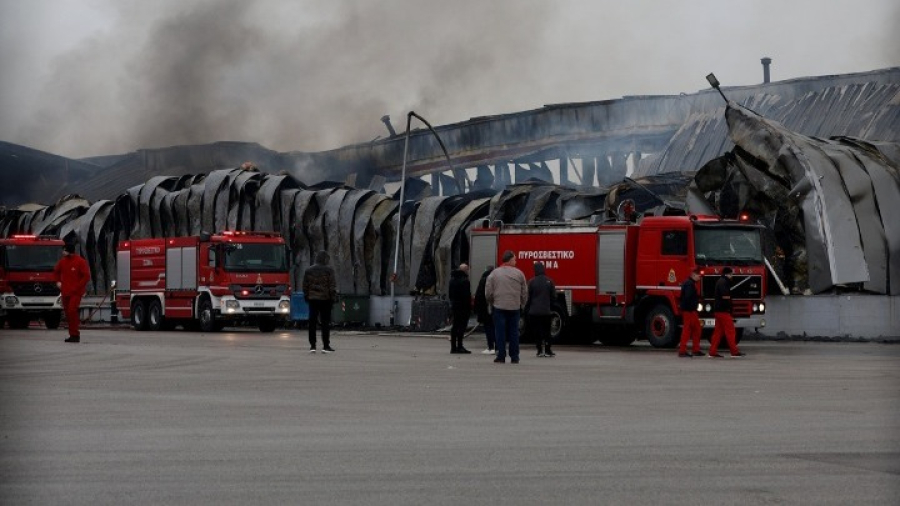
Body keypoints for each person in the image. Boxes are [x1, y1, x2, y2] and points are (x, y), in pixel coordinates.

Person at [485, 250, 527, 364]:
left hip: (499, 307)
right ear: (510, 260)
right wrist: (522, 304)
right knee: (514, 332)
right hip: (514, 307)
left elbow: (488, 291)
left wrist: (492, 301)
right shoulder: (519, 274)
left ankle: (501, 355)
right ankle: (515, 356)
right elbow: (524, 292)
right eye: (515, 259)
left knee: (500, 332)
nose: (516, 261)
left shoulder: (494, 273)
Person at [53, 242, 90, 343]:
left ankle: (75, 334)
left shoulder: (80, 262)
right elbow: (55, 271)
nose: (63, 252)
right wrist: (57, 282)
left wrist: (78, 287)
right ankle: (72, 334)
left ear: (69, 251)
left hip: (75, 293)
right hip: (65, 292)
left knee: (72, 311)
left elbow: (86, 276)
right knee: (68, 314)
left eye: (64, 250)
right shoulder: (62, 262)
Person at [303, 250, 337, 353]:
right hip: (325, 300)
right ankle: (326, 346)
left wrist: (307, 297)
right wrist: (333, 298)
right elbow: (332, 286)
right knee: (325, 323)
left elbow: (305, 286)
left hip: (313, 299)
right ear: (325, 259)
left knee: (312, 322)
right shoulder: (329, 270)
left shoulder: (308, 270)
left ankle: (312, 346)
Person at [708, 267, 746, 358]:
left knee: (718, 332)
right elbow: (726, 297)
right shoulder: (724, 283)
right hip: (723, 311)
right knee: (731, 331)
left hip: (718, 311)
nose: (732, 276)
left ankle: (712, 351)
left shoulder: (720, 281)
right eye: (731, 274)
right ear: (727, 274)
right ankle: (734, 352)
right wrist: (729, 308)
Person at [526, 262, 557, 357]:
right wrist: (549, 305)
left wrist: (527, 308)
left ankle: (539, 350)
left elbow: (529, 297)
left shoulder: (531, 281)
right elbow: (554, 296)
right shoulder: (549, 281)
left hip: (534, 312)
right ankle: (548, 350)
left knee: (537, 331)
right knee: (547, 331)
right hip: (546, 311)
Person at [677, 266, 704, 357]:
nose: (699, 277)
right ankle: (683, 350)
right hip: (689, 311)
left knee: (695, 329)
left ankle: (694, 349)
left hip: (690, 310)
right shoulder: (690, 284)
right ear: (693, 275)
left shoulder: (688, 283)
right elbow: (688, 297)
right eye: (698, 275)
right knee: (688, 330)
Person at [448, 263, 472, 354]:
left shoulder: (452, 280)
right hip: (463, 307)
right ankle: (460, 346)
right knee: (462, 327)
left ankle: (453, 347)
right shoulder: (465, 281)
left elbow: (450, 294)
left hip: (454, 306)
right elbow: (466, 296)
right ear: (465, 270)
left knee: (455, 326)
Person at [473, 266, 495, 354]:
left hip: (486, 309)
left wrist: (476, 309)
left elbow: (479, 295)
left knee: (488, 327)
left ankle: (490, 347)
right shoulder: (496, 279)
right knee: (495, 328)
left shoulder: (484, 280)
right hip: (495, 307)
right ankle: (497, 347)